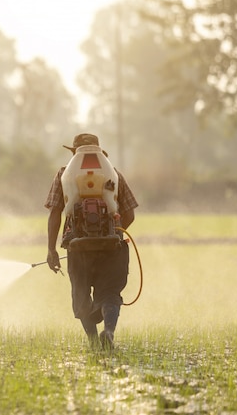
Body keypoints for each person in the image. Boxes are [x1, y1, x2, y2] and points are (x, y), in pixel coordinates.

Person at [44, 133, 138, 350]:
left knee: (81, 296)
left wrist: (51, 250)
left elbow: (55, 213)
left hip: (78, 248)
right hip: (111, 246)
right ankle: (109, 332)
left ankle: (94, 343)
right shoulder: (113, 174)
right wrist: (114, 230)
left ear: (74, 152)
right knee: (110, 293)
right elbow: (130, 214)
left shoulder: (63, 175)